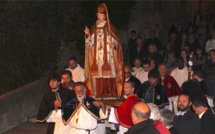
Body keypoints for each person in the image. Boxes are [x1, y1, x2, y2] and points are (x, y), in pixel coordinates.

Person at [84, 3, 124, 97]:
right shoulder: (94, 28)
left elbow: (117, 42)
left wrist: (114, 45)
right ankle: (100, 93)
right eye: (98, 15)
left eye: (102, 15)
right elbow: (89, 45)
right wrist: (87, 35)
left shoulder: (111, 27)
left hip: (109, 56)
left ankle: (112, 93)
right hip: (98, 57)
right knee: (99, 76)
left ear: (105, 16)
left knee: (110, 75)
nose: (100, 17)